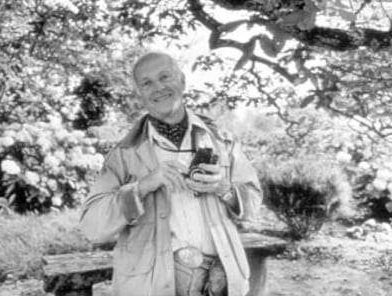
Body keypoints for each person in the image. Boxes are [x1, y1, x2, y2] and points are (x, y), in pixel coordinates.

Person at [79, 52, 262, 296]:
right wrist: (142, 187)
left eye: (165, 77)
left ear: (182, 81)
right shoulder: (123, 154)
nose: (158, 88)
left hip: (222, 280)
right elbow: (92, 227)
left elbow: (254, 202)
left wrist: (223, 188)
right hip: (154, 285)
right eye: (147, 83)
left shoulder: (222, 140)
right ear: (140, 94)